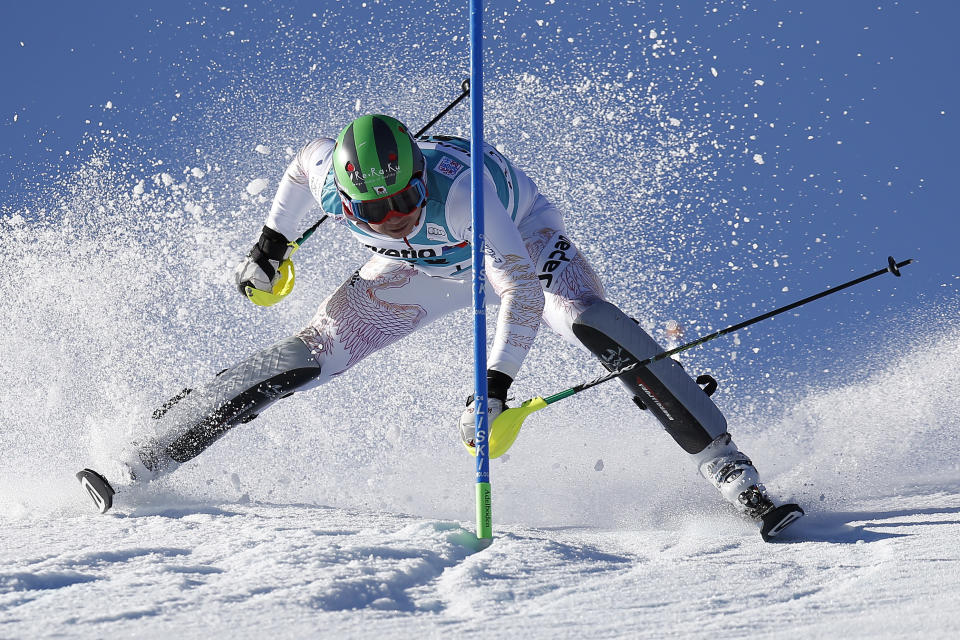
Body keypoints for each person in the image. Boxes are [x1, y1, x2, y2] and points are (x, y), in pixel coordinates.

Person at [77, 114, 793, 533]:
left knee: (589, 321)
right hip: (413, 275)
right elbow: (300, 169)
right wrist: (271, 243)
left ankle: (729, 469)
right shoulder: (332, 178)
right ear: (348, 203)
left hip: (516, 244)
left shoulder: (457, 199)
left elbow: (517, 291)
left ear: (422, 176)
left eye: (406, 197)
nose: (397, 216)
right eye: (376, 211)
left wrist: (494, 390)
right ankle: (145, 455)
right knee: (305, 358)